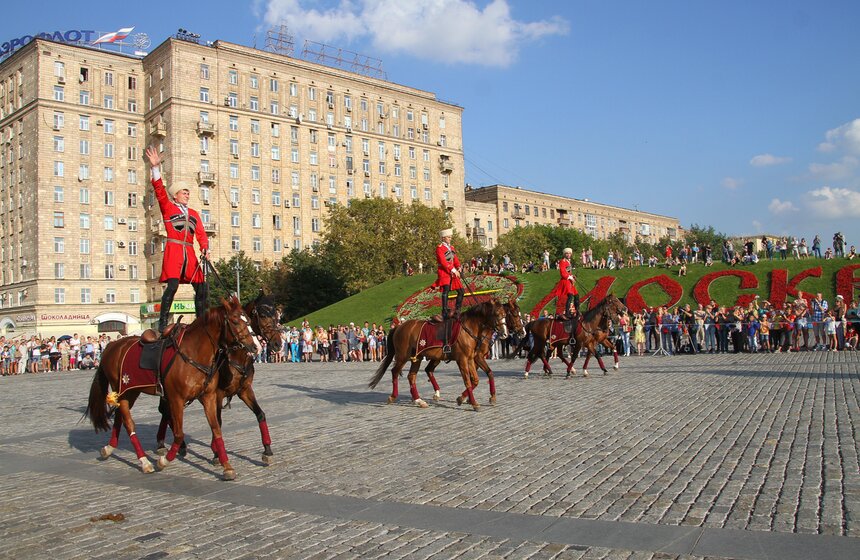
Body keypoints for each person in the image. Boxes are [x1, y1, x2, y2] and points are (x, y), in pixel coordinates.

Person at [145, 146, 209, 334]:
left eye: (188, 193)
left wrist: (205, 248)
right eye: (184, 192)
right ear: (175, 195)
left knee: (202, 287)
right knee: (172, 286)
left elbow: (201, 234)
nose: (187, 195)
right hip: (174, 250)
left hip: (189, 252)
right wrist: (155, 168)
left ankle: (201, 321)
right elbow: (159, 190)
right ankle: (162, 322)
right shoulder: (168, 208)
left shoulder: (194, 213)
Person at [432, 228, 464, 323]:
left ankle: (458, 309)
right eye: (448, 237)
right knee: (446, 289)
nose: (450, 238)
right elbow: (443, 262)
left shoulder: (452, 247)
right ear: (443, 238)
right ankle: (444, 311)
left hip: (453, 272)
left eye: (450, 237)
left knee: (461, 291)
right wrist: (453, 270)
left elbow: (455, 259)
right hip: (444, 271)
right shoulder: (440, 248)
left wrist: (459, 267)